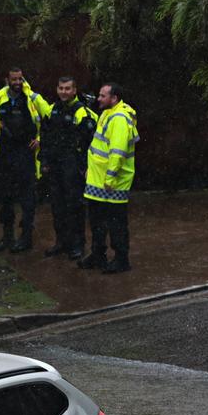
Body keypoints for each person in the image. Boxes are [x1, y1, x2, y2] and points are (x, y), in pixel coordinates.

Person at [79, 82, 139, 273]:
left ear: (114, 98)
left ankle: (121, 260)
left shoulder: (120, 119)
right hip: (98, 181)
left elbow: (117, 152)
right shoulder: (107, 114)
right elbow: (99, 146)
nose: (98, 99)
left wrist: (111, 178)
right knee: (97, 222)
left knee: (116, 223)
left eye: (102, 96)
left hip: (112, 183)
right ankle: (98, 255)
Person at [0, 66, 49, 253]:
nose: (17, 83)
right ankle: (7, 237)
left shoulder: (32, 98)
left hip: (25, 153)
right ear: (6, 79)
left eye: (20, 79)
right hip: (6, 154)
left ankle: (26, 238)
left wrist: (40, 140)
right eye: (14, 79)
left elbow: (49, 118)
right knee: (6, 197)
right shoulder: (0, 99)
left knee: (27, 198)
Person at [39, 76, 98, 260]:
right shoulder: (53, 109)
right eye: (61, 88)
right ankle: (61, 242)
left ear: (74, 90)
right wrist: (44, 161)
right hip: (55, 165)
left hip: (72, 165)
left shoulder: (81, 111)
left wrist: (84, 166)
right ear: (57, 89)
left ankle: (78, 245)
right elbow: (45, 136)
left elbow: (89, 140)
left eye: (68, 89)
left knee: (75, 206)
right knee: (57, 205)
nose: (64, 92)